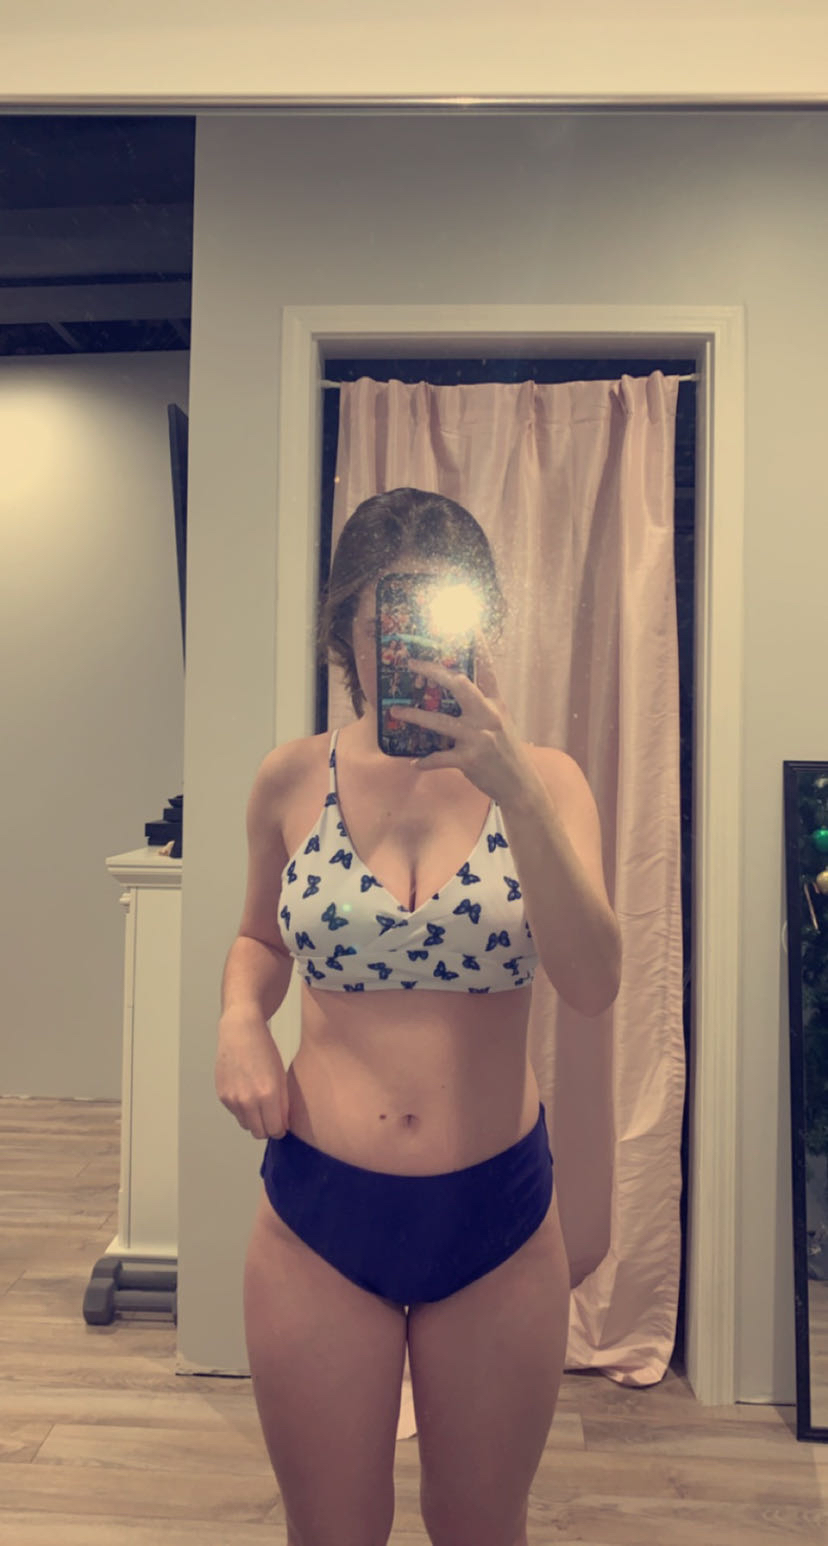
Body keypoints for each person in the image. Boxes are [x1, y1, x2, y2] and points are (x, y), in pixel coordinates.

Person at [215, 487, 622, 1546]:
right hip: (319, 1210)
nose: (412, 646)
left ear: (481, 619)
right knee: (332, 1530)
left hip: (497, 1214)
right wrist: (239, 1019)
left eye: (441, 612)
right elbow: (259, 940)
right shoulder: (290, 779)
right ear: (346, 630)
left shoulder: (547, 782)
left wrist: (515, 793)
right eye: (384, 615)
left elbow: (592, 980)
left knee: (480, 1525)